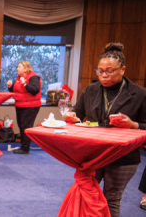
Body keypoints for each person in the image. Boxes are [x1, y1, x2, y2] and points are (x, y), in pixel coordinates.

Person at [65, 43, 146, 217]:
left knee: (112, 198)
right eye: (100, 71)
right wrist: (71, 117)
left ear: (122, 69)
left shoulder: (140, 94)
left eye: (109, 71)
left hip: (124, 155)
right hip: (94, 152)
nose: (104, 75)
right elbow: (76, 113)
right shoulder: (91, 90)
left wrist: (133, 125)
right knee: (87, 193)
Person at [6, 61, 41, 155]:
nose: (17, 68)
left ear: (25, 69)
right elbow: (16, 90)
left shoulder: (33, 77)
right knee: (21, 126)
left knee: (26, 126)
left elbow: (35, 90)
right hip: (20, 105)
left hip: (31, 106)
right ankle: (23, 146)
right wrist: (10, 86)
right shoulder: (19, 78)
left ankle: (25, 149)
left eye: (19, 67)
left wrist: (25, 83)